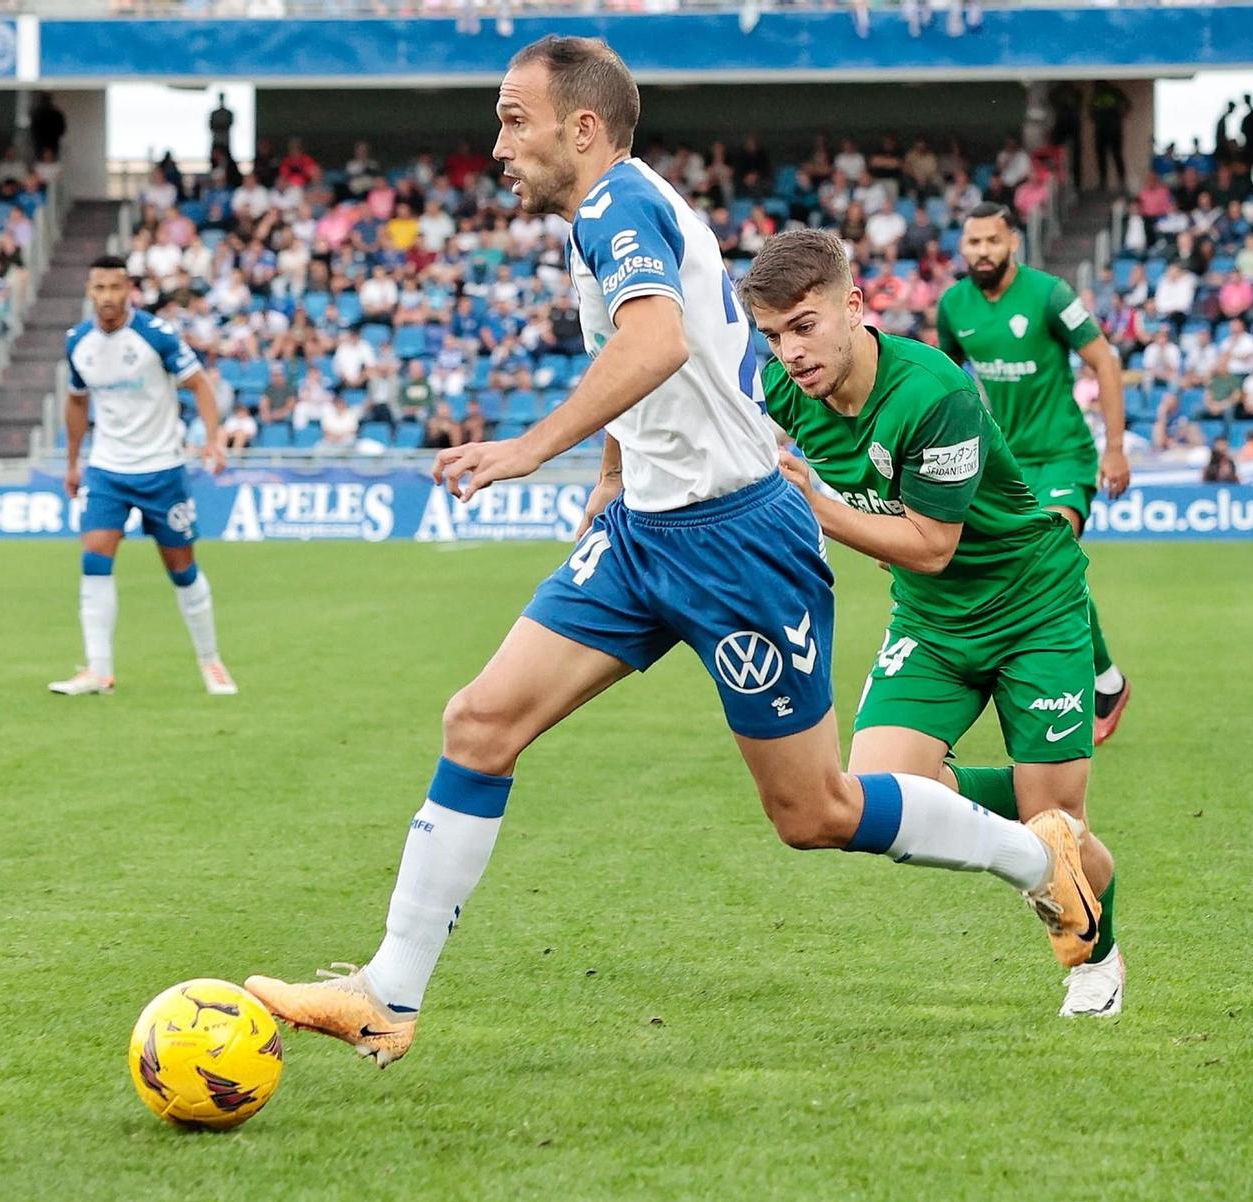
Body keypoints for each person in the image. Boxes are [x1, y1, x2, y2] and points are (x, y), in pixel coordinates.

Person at [244, 37, 1093, 1069]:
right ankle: (389, 993)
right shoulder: (605, 217)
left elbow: (654, 344)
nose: (497, 143)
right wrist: (608, 480)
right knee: (478, 722)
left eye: (515, 119)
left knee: (813, 810)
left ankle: (1033, 861)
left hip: (739, 540)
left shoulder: (615, 208)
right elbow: (645, 356)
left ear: (583, 128)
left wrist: (526, 450)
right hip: (644, 533)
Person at [744, 228, 1125, 1016]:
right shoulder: (787, 388)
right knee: (883, 793)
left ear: (853, 307)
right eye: (773, 336)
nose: (791, 353)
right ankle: (1038, 814)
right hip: (932, 623)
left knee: (1068, 830)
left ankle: (1098, 962)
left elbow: (930, 545)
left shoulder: (933, 393)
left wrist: (815, 506)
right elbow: (680, 383)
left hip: (1032, 605)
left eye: (805, 326)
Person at [936, 203, 1133, 742]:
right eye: (972, 242)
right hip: (1004, 466)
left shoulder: (1049, 295)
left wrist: (1113, 448)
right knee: (1041, 572)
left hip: (1064, 455)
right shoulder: (953, 306)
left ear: (1013, 242)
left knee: (1044, 557)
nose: (981, 252)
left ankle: (1083, 686)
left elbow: (1106, 361)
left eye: (991, 241)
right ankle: (1103, 679)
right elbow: (943, 384)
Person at [53, 255, 238, 698]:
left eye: (116, 287)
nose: (108, 297)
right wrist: (73, 461)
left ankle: (211, 661)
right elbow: (77, 404)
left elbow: (200, 386)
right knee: (94, 560)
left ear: (129, 291)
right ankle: (99, 670)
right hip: (108, 469)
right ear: (89, 292)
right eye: (99, 288)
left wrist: (213, 439)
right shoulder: (78, 342)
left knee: (182, 569)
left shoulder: (157, 336)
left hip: (162, 469)